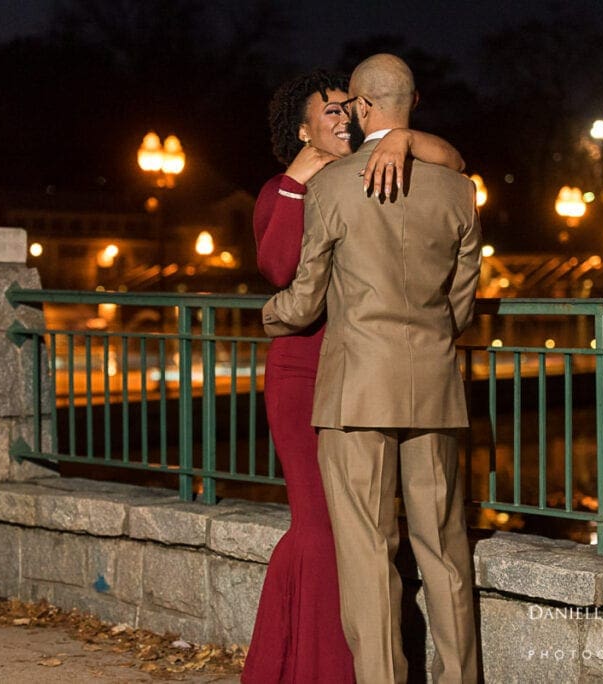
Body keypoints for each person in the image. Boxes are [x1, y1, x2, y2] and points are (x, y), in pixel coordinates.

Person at [261, 54, 482, 683]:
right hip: (435, 387)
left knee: (366, 554)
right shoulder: (459, 191)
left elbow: (305, 297)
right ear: (413, 103)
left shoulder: (331, 187)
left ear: (360, 107)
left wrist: (268, 316)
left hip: (356, 390)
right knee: (444, 553)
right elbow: (460, 304)